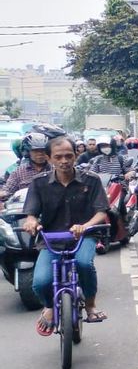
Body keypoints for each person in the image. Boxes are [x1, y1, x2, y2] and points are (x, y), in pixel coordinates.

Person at [22, 135, 111, 334]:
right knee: (41, 282)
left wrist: (85, 226)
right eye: (59, 156)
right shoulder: (38, 183)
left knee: (84, 264)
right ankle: (49, 306)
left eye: (69, 156)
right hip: (51, 240)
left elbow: (101, 212)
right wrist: (31, 221)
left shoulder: (92, 180)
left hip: (84, 236)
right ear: (49, 158)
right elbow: (31, 214)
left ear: (76, 156)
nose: (64, 161)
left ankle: (90, 305)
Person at [0, 132, 55, 202]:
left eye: (42, 151)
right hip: (24, 209)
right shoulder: (19, 172)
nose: (40, 154)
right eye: (36, 151)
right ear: (27, 152)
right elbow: (7, 191)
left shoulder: (55, 169)